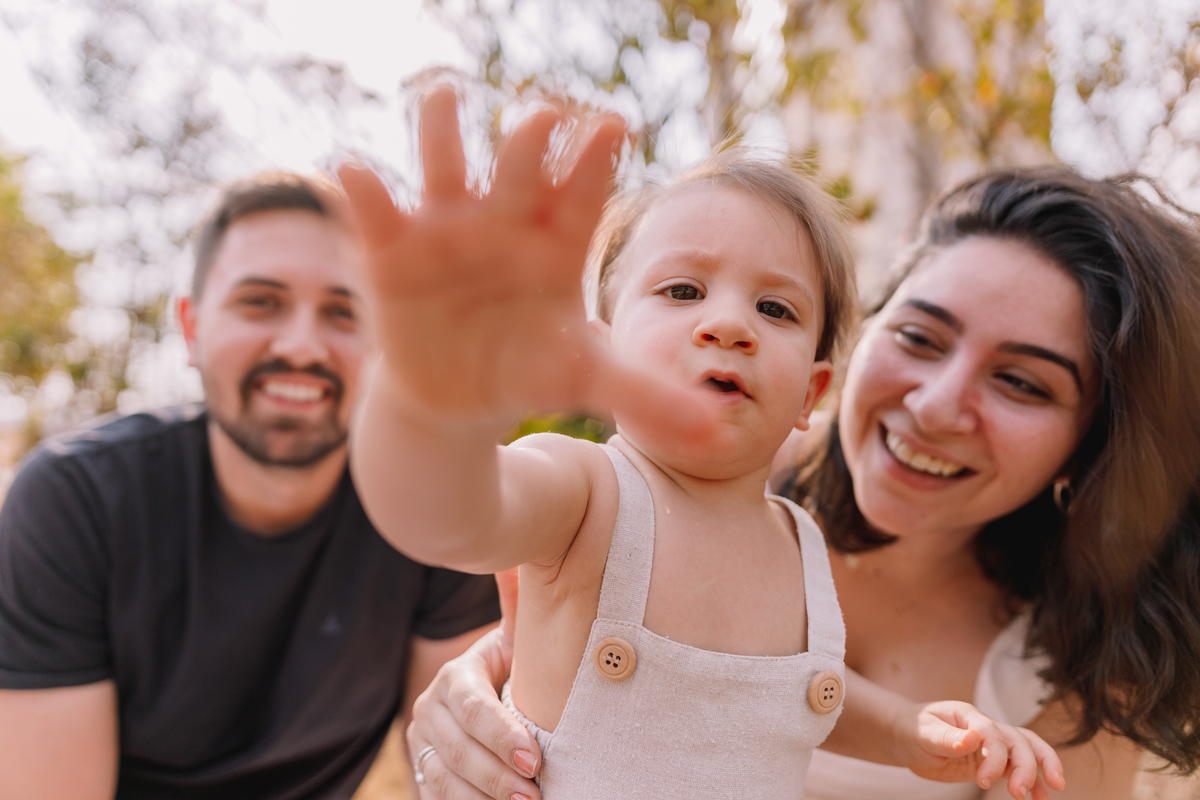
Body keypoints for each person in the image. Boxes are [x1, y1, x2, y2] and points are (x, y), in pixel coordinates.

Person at [338, 88, 1063, 799]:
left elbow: (805, 694)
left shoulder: (799, 543)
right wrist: (426, 401)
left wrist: (908, 731)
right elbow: (443, 514)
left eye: (774, 307)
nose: (729, 324)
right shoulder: (586, 490)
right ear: (598, 354)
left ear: (811, 395)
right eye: (683, 291)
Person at [405, 166, 1200, 800]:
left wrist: (912, 736)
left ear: (1092, 447)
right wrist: (477, 693)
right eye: (921, 337)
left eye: (1024, 383)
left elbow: (804, 689)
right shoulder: (637, 484)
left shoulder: (1080, 668)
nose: (936, 406)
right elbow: (472, 524)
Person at [0, 172, 502, 799]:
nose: (301, 345)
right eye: (260, 302)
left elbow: (453, 769)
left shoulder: (437, 509)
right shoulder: (75, 502)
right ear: (191, 329)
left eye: (343, 312)